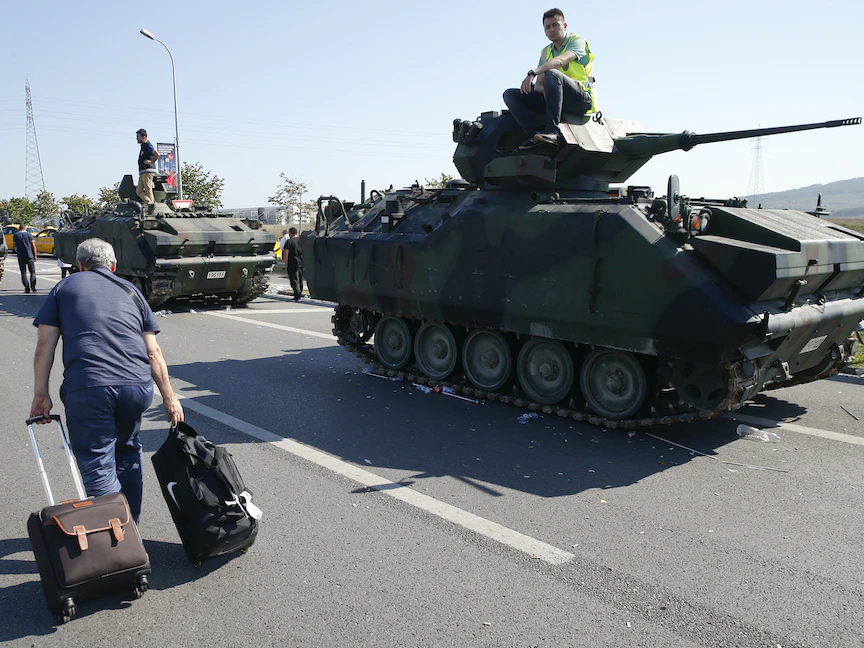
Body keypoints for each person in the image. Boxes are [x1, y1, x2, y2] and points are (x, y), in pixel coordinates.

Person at [30, 238, 184, 522]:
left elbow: (45, 345)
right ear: (113, 265)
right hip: (136, 387)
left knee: (97, 461)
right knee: (127, 451)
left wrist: (41, 393)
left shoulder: (64, 288)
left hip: (89, 387)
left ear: (79, 265)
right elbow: (153, 352)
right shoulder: (132, 290)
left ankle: (117, 533)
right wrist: (169, 397)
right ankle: (130, 524)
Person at [503, 8, 597, 153]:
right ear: (545, 31)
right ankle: (536, 134)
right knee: (510, 94)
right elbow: (539, 85)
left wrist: (532, 73)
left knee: (552, 74)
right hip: (555, 101)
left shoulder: (576, 42)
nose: (552, 29)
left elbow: (560, 61)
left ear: (564, 26)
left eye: (555, 25)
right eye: (548, 27)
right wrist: (546, 89)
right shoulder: (546, 52)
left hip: (579, 100)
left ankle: (553, 132)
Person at [135, 129, 160, 215]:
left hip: (148, 170)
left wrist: (151, 162)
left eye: (138, 136)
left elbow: (157, 154)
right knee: (138, 190)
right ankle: (150, 204)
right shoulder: (143, 146)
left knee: (148, 189)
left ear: (144, 137)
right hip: (142, 171)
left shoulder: (147, 145)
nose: (137, 138)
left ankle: (151, 208)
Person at [13, 224, 37, 293]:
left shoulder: (16, 235)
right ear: (25, 228)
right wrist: (35, 255)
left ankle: (27, 288)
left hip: (21, 256)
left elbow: (14, 245)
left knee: (23, 272)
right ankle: (33, 287)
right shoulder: (29, 235)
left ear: (19, 228)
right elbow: (33, 246)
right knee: (32, 272)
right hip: (30, 255)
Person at [283, 227, 304, 301]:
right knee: (300, 279)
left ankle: (297, 295)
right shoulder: (301, 241)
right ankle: (300, 293)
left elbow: (286, 254)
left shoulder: (289, 242)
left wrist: (286, 263)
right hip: (301, 262)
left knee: (294, 279)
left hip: (292, 262)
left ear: (290, 233)